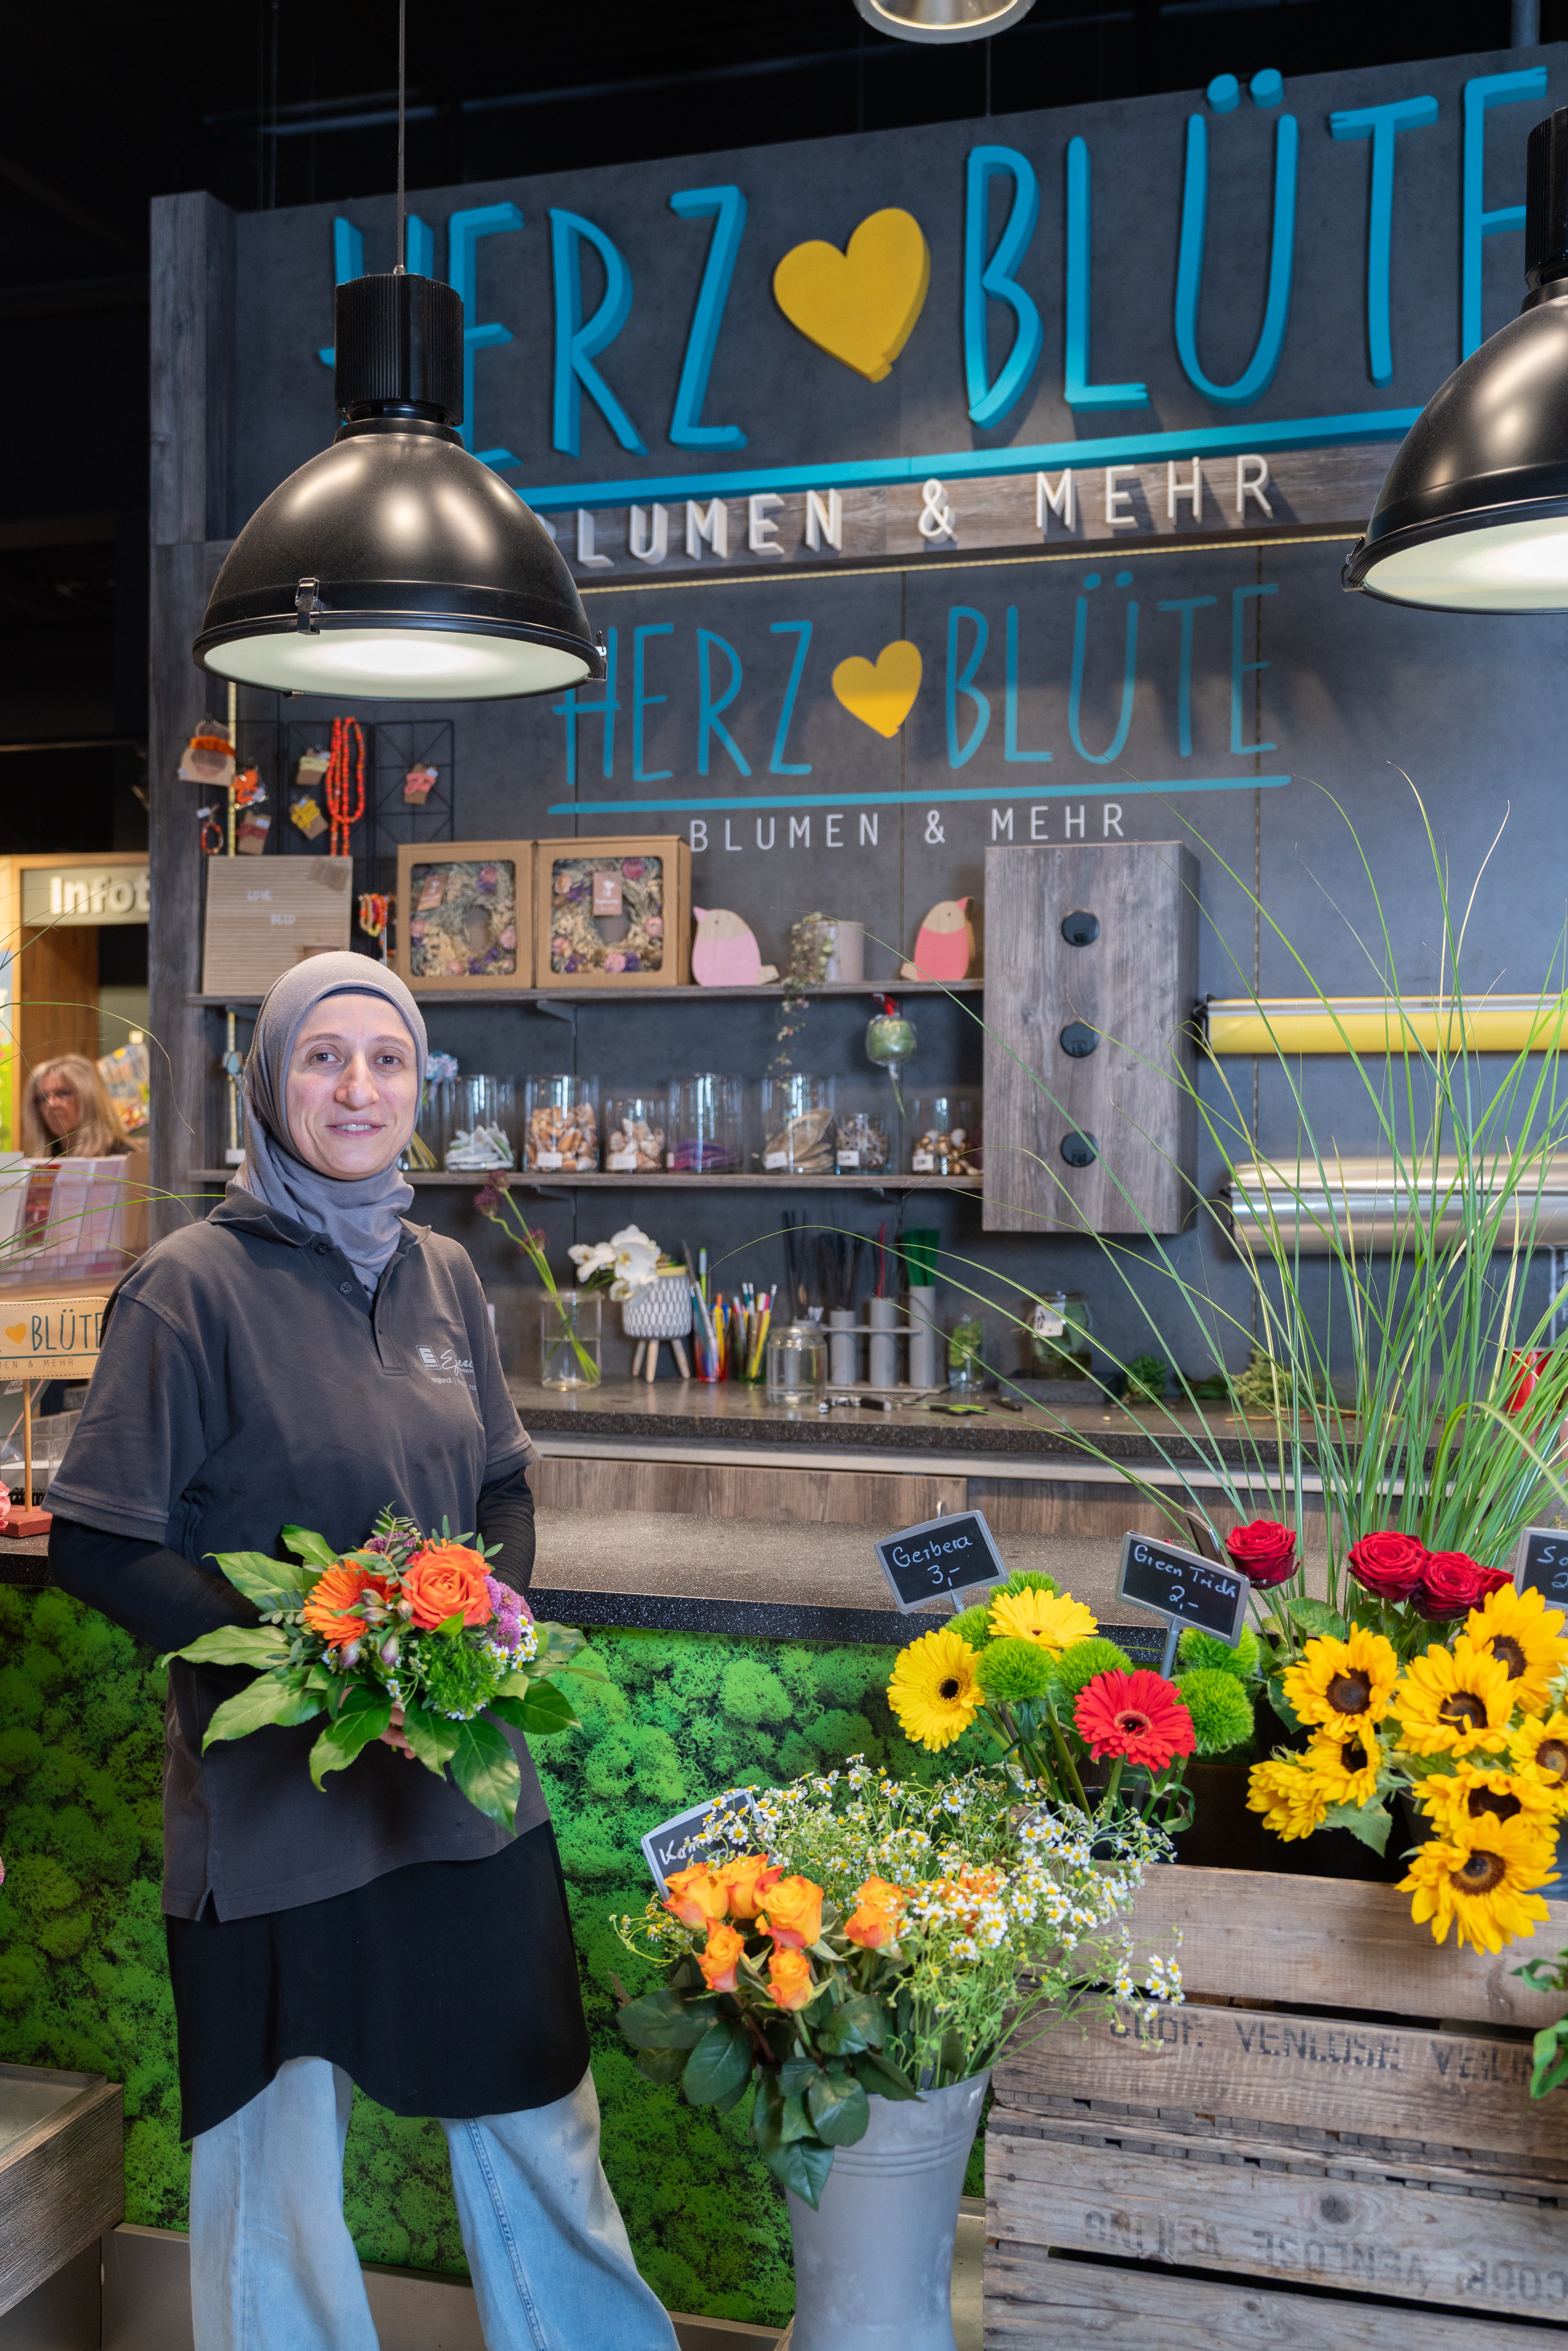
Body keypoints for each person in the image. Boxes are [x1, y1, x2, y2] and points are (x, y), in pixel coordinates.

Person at [46, 954, 676, 2351]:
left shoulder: (444, 1273)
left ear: (420, 1087)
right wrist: (316, 1654)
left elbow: (503, 1488)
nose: (359, 1087)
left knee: (541, 2128)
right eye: (324, 1057)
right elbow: (96, 1539)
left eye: (388, 1060)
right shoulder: (187, 1288)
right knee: (275, 2180)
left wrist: (477, 1618)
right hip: (276, 1818)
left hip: (462, 1784)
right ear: (268, 1083)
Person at [22, 1054, 132, 1156]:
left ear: (89, 1098)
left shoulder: (123, 1158)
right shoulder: (43, 1162)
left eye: (62, 1094)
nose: (51, 1104)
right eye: (43, 1098)